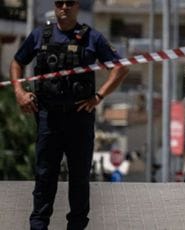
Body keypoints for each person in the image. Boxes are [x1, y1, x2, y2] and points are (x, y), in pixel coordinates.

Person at [9, 1, 129, 229]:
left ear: (77, 7)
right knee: (44, 176)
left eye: (70, 3)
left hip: (79, 119)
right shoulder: (40, 36)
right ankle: (38, 225)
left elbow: (120, 67)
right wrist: (19, 92)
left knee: (79, 179)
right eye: (59, 3)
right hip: (48, 118)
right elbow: (17, 62)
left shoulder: (91, 37)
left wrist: (99, 97)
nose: (64, 7)